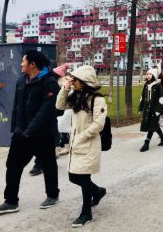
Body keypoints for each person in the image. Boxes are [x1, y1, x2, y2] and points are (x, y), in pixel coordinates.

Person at [0, 51, 60, 215]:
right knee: (13, 165)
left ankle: (52, 195)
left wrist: (30, 130)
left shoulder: (50, 82)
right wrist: (16, 128)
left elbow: (47, 110)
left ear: (32, 64)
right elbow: (17, 106)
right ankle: (10, 201)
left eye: (23, 61)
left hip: (43, 134)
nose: (21, 64)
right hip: (21, 134)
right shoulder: (21, 80)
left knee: (48, 165)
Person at [56, 65, 107, 227]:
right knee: (73, 177)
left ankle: (86, 213)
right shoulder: (76, 96)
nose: (73, 82)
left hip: (88, 143)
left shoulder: (97, 99)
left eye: (75, 79)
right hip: (76, 143)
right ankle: (97, 191)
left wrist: (82, 137)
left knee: (84, 178)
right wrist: (65, 88)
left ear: (84, 82)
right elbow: (59, 105)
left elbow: (98, 124)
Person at [29, 63, 72, 176]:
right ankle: (46, 162)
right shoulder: (47, 80)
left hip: (48, 115)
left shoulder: (51, 81)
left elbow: (58, 101)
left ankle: (39, 164)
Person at [139, 68, 163, 152]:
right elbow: (143, 97)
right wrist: (141, 108)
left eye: (150, 74)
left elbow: (161, 98)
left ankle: (146, 143)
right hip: (147, 109)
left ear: (154, 75)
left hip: (155, 109)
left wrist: (158, 110)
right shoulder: (146, 85)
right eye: (147, 74)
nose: (148, 75)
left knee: (151, 125)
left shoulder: (158, 85)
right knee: (154, 125)